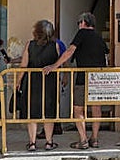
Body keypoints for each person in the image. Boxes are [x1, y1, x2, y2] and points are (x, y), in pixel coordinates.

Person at [45, 12, 109, 149]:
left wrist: (54, 66)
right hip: (99, 77)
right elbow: (106, 55)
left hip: (83, 76)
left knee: (78, 109)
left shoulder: (82, 33)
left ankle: (83, 140)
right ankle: (95, 139)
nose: (79, 25)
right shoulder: (99, 37)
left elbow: (70, 51)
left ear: (83, 22)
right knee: (96, 108)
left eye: (79, 23)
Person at [14, 19, 61, 151]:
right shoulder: (55, 45)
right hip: (49, 82)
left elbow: (24, 65)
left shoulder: (30, 45)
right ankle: (49, 142)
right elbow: (57, 63)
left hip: (32, 82)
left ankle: (32, 142)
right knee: (49, 112)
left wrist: (17, 82)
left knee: (32, 113)